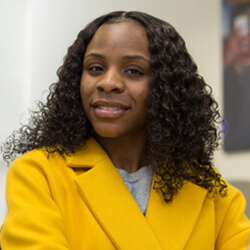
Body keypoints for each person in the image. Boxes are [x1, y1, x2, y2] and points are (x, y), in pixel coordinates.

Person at [0, 11, 249, 249]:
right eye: (95, 68)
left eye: (133, 71)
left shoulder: (213, 193)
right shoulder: (37, 175)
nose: (108, 83)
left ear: (166, 89)